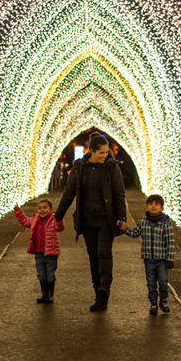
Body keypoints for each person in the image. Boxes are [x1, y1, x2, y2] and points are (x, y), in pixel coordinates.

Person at [55, 133, 127, 311]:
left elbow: (119, 193)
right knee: (93, 258)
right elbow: (69, 192)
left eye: (106, 152)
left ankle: (104, 288)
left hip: (106, 219)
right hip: (87, 220)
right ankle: (99, 296)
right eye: (101, 153)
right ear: (91, 151)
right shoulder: (79, 167)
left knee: (104, 254)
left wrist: (122, 217)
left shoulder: (111, 167)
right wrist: (57, 216)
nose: (105, 156)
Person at [125, 194, 175, 314]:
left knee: (163, 280)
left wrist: (170, 258)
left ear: (162, 208)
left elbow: (170, 241)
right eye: (150, 204)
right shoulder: (143, 221)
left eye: (156, 204)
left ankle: (163, 299)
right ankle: (153, 302)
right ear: (147, 207)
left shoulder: (165, 222)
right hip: (148, 259)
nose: (153, 206)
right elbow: (136, 233)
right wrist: (125, 229)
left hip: (162, 259)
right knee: (151, 282)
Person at [14, 199, 64, 304]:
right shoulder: (34, 220)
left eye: (45, 208)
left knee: (50, 274)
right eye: (40, 208)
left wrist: (59, 219)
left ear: (51, 209)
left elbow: (60, 227)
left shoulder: (53, 220)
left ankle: (50, 295)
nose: (42, 210)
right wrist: (18, 210)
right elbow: (23, 220)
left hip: (51, 254)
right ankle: (44, 294)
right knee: (41, 274)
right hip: (39, 253)